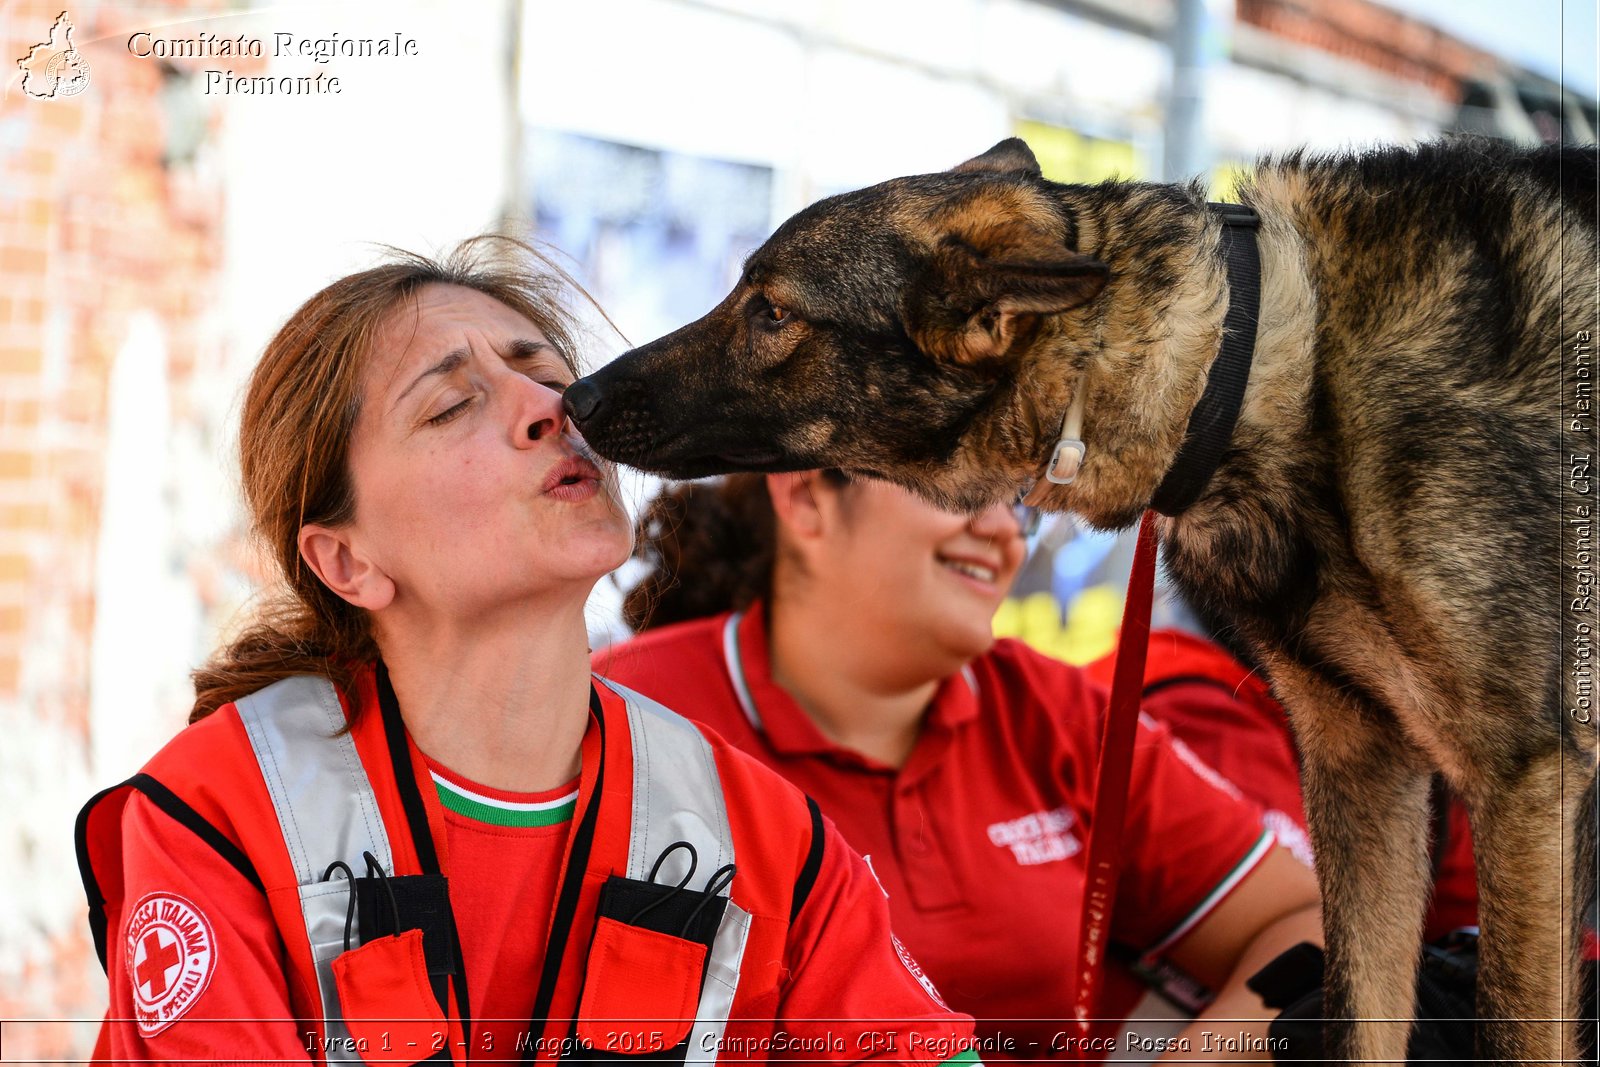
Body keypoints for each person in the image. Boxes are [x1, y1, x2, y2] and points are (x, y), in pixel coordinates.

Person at [74, 240, 982, 1065]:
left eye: (546, 372)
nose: (550, 409)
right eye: (451, 405)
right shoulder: (218, 819)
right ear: (347, 561)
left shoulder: (767, 837)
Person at [596, 471, 1324, 1063]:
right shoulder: (628, 715)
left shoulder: (1052, 712)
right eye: (965, 482)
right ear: (807, 495)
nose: (1006, 531)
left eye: (1020, 505)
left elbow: (1309, 918)